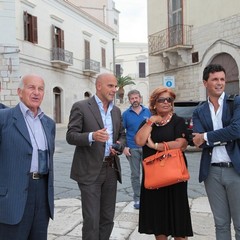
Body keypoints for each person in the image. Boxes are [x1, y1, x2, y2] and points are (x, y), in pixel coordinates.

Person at [66, 73, 126, 240]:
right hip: (89, 171)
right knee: (92, 219)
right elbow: (71, 136)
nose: (114, 89)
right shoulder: (81, 106)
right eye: (110, 86)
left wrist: (119, 146)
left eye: (115, 86)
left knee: (107, 218)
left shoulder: (116, 111)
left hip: (111, 169)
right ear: (99, 86)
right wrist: (92, 136)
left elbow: (122, 135)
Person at [0, 74, 56, 240]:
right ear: (20, 92)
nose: (36, 92)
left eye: (40, 89)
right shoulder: (4, 118)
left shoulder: (49, 123)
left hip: (42, 193)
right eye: (31, 87)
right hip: (12, 197)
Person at [135, 86, 193, 240]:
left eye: (170, 100)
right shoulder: (147, 123)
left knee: (179, 223)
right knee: (158, 222)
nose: (167, 102)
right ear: (154, 103)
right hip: (155, 177)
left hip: (175, 176)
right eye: (162, 100)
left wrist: (156, 146)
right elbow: (139, 141)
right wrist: (151, 121)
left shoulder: (178, 121)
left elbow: (181, 143)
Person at [192, 64, 240, 240]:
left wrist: (206, 136)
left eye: (222, 79)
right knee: (220, 224)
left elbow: (237, 130)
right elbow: (197, 142)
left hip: (236, 170)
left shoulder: (236, 102)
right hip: (211, 172)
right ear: (205, 83)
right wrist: (221, 137)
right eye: (215, 79)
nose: (219, 83)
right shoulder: (199, 111)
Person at [122, 89, 151, 209]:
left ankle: (148, 197)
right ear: (129, 100)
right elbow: (121, 132)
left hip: (147, 148)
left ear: (140, 98)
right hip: (132, 149)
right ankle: (137, 199)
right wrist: (124, 147)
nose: (135, 100)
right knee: (135, 175)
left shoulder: (148, 112)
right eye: (132, 98)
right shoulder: (125, 114)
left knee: (148, 174)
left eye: (136, 98)